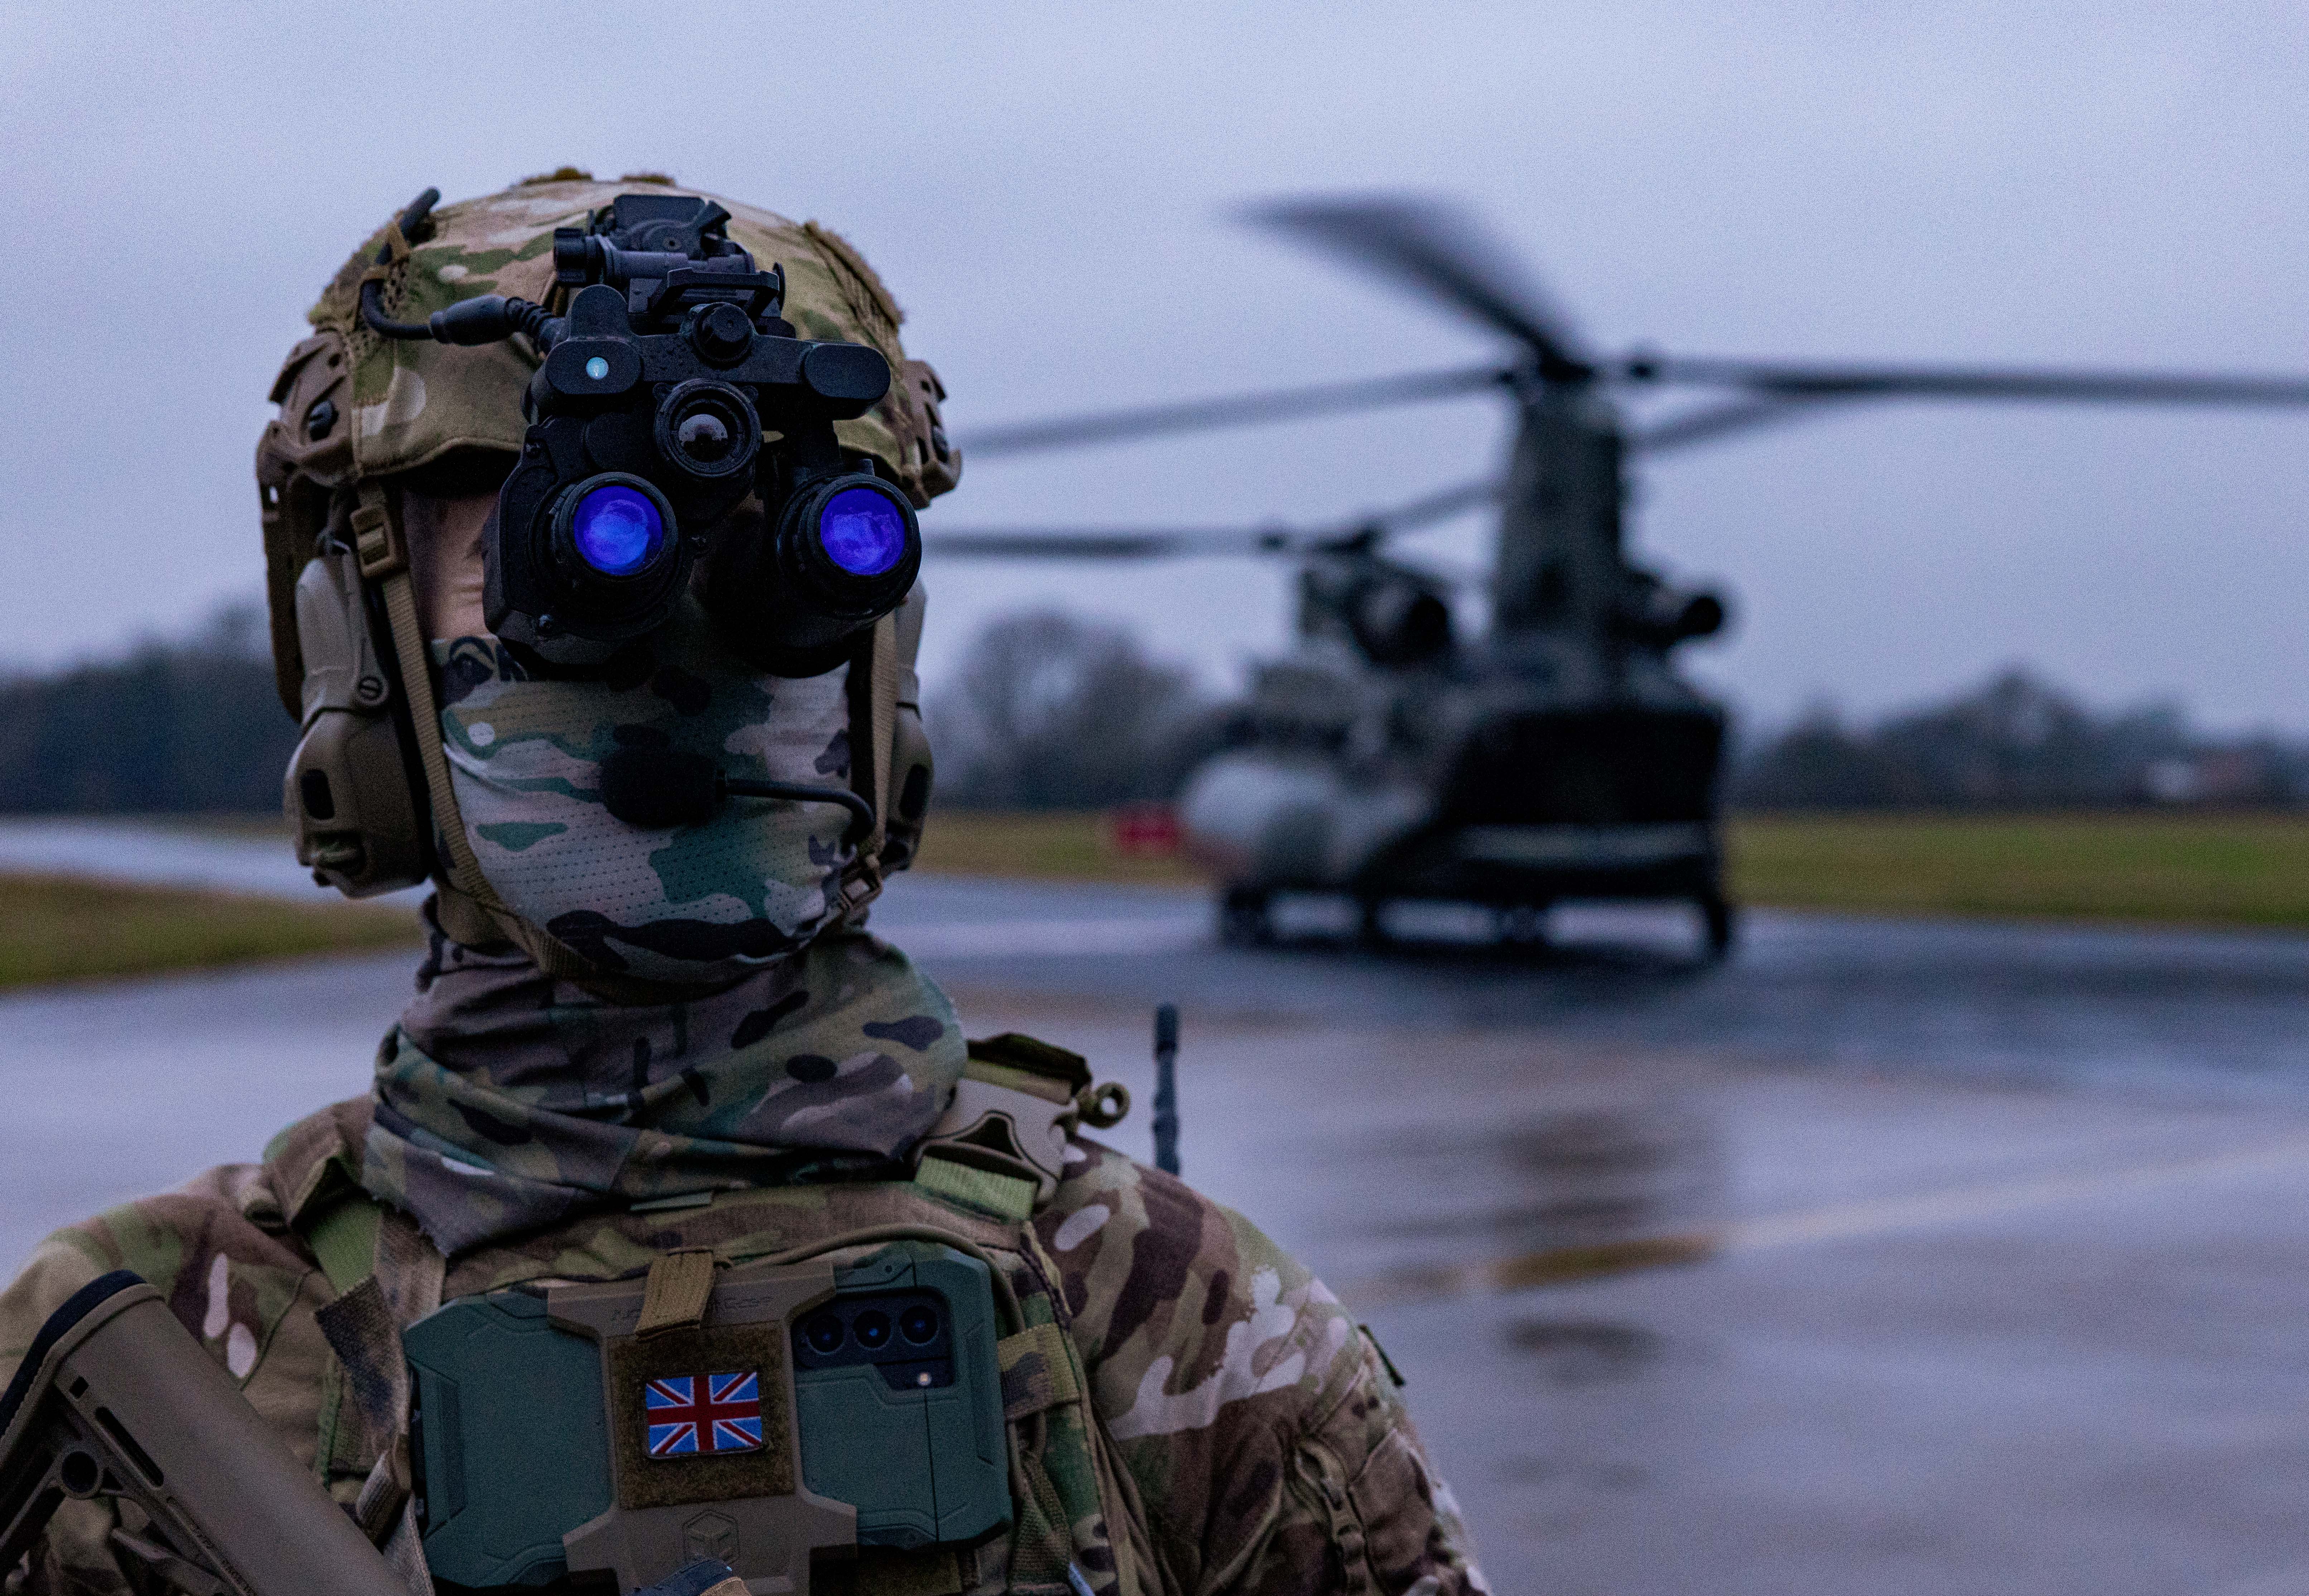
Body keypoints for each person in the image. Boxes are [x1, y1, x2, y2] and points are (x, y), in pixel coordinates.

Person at [0, 173, 1485, 1596]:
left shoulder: (1167, 1317)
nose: (685, 667)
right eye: (558, 552)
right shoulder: (138, 1360)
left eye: (769, 553)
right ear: (361, 659)